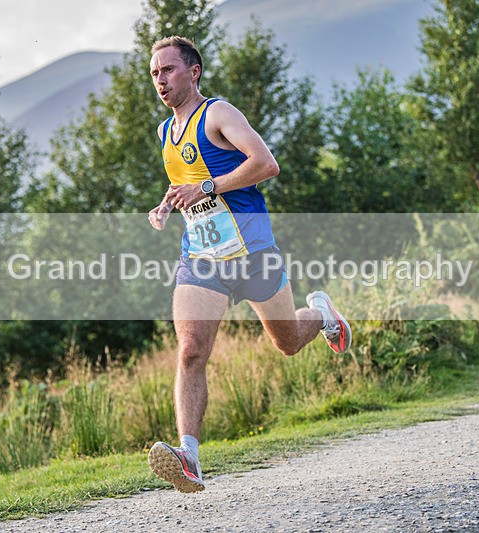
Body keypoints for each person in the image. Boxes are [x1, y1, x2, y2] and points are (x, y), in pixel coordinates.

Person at [146, 35, 351, 493]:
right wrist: (166, 204)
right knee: (191, 350)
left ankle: (321, 315)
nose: (160, 79)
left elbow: (266, 163)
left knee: (289, 342)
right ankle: (190, 457)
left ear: (193, 72)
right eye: (155, 72)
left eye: (169, 70)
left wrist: (210, 188)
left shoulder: (217, 114)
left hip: (253, 252)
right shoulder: (165, 132)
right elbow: (187, 183)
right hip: (201, 257)